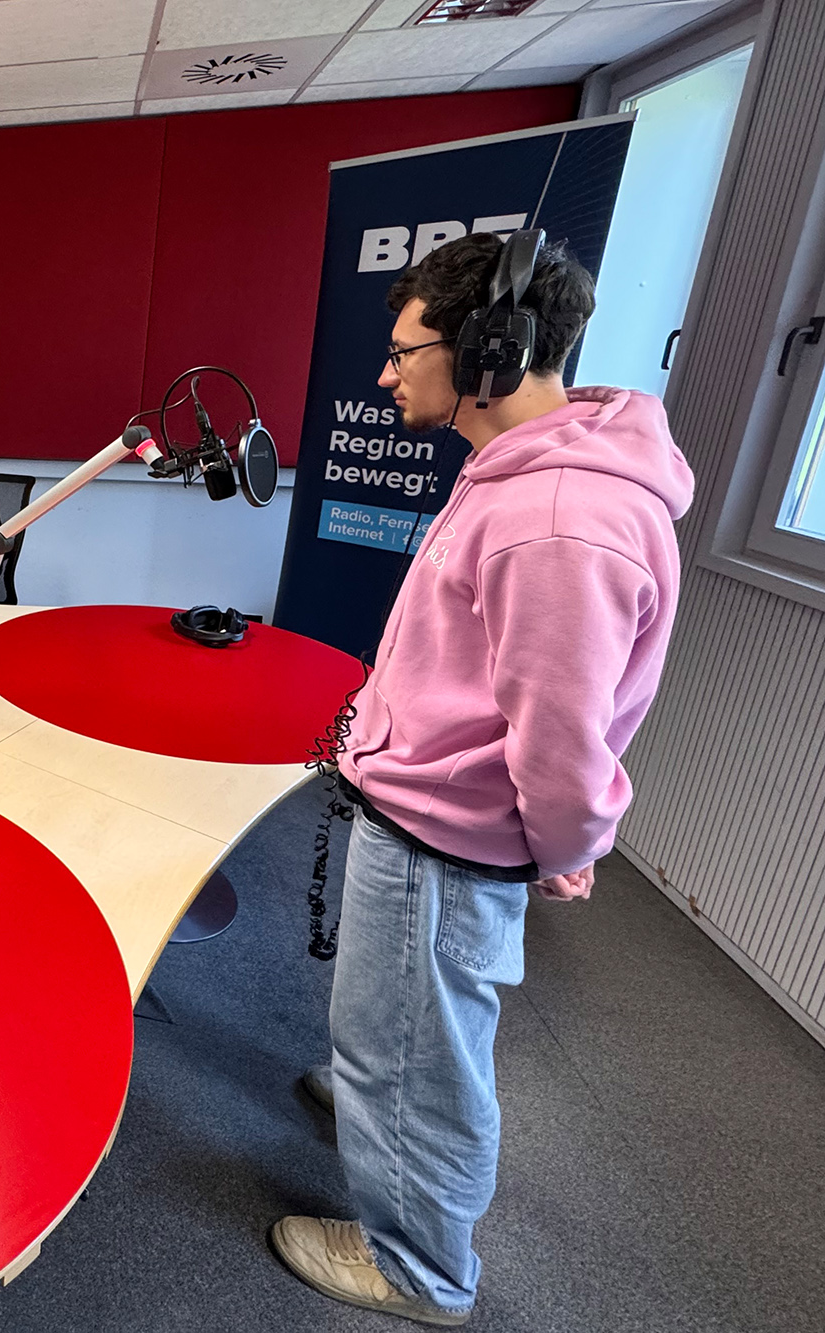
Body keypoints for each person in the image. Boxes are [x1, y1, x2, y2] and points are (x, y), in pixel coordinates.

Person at [269, 234, 693, 1325]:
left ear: (485, 353)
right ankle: (376, 1098)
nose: (384, 375)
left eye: (403, 352)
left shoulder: (555, 520)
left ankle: (418, 1265)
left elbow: (560, 740)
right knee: (399, 1033)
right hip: (425, 814)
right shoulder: (521, 473)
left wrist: (567, 845)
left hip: (445, 840)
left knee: (419, 1057)